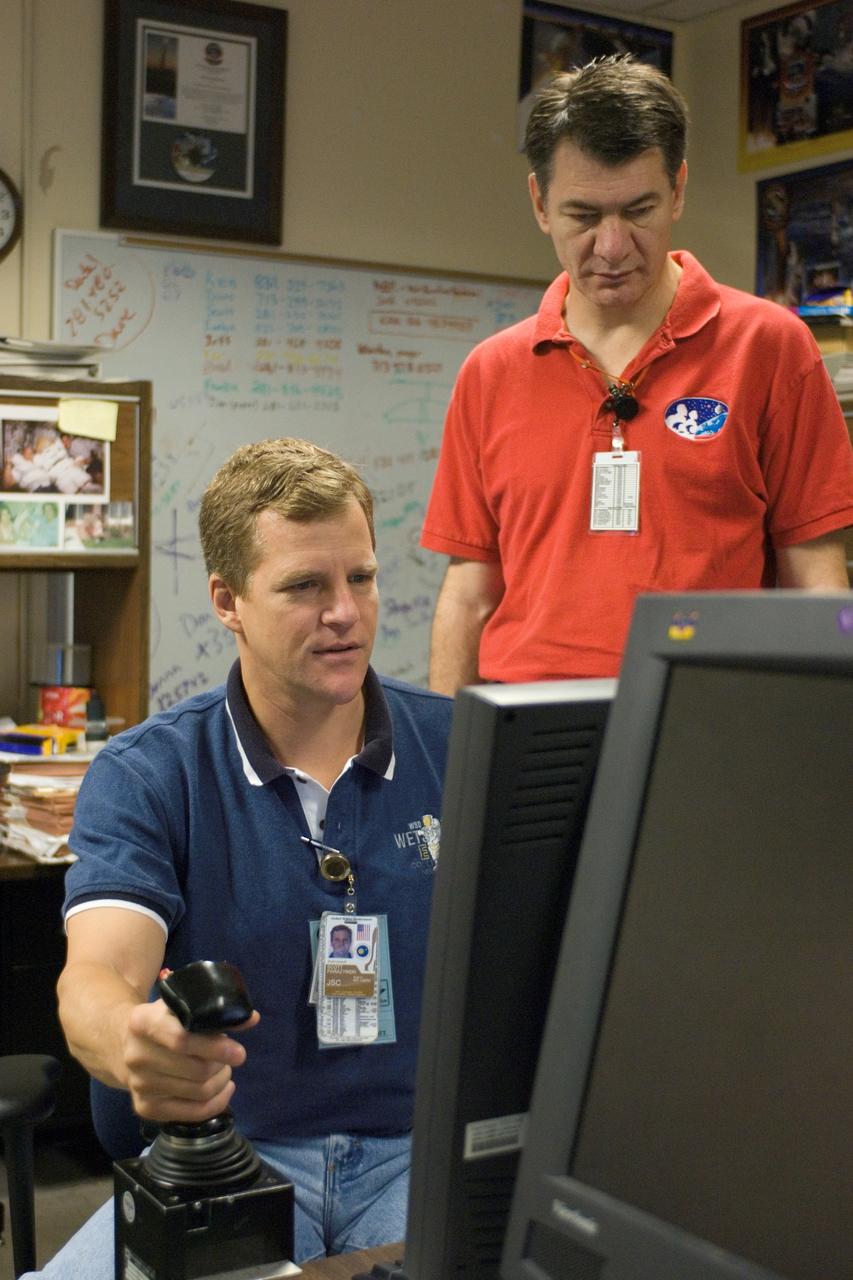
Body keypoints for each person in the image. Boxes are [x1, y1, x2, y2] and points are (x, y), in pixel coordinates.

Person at [23, 437, 452, 1277]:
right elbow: (96, 978)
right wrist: (130, 1039)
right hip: (233, 1160)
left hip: (416, 1153)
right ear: (228, 600)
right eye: (303, 587)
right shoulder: (151, 772)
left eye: (360, 578)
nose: (345, 613)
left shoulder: (459, 743)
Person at [421, 55, 853, 693]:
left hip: (709, 717)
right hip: (529, 722)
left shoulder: (770, 347)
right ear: (541, 203)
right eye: (584, 216)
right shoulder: (492, 372)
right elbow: (469, 591)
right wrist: (443, 755)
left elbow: (816, 576)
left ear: (678, 189)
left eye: (639, 210)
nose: (613, 245)